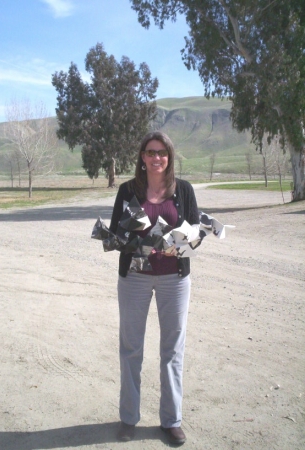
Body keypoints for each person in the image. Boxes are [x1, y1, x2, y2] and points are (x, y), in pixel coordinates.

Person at [109, 131, 199, 446]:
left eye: (162, 152)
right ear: (142, 157)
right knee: (131, 348)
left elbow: (195, 234)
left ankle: (171, 421)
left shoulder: (183, 190)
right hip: (134, 276)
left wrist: (179, 245)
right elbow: (116, 237)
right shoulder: (127, 190)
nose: (156, 157)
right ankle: (128, 418)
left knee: (173, 350)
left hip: (174, 278)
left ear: (169, 156)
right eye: (150, 152)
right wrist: (139, 242)